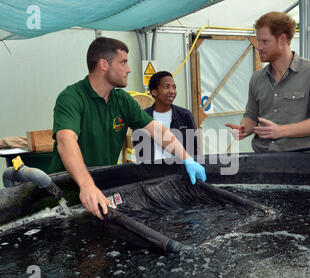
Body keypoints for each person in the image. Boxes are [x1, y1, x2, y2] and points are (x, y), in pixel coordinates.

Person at [48, 37, 206, 220]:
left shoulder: (121, 100)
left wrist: (187, 159)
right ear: (103, 64)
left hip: (101, 189)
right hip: (63, 195)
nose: (129, 69)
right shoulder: (72, 97)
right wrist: (86, 185)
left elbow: (157, 130)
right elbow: (66, 141)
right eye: (123, 62)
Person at [226, 11, 310, 152]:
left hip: (301, 164)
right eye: (258, 41)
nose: (259, 47)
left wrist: (281, 131)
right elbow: (251, 116)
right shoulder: (257, 78)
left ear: (282, 39)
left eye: (264, 41)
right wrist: (244, 129)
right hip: (262, 162)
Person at [133, 71, 198, 163]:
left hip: (179, 170)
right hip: (152, 171)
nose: (172, 91)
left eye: (174, 87)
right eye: (166, 87)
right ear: (154, 92)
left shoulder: (185, 116)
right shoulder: (143, 118)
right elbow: (140, 152)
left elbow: (194, 149)